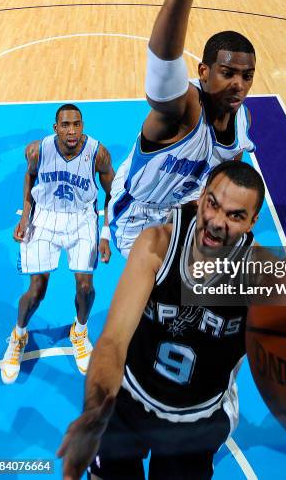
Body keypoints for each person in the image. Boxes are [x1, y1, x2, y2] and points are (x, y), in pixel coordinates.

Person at [58, 160, 265, 480]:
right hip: (133, 396)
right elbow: (113, 341)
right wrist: (94, 415)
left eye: (235, 215)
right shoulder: (157, 245)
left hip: (199, 415)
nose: (217, 222)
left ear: (252, 221)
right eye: (212, 204)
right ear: (201, 197)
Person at [108, 0, 256, 259]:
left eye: (246, 76)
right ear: (204, 72)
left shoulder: (242, 122)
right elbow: (163, 64)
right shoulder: (184, 109)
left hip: (186, 210)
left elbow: (229, 165)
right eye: (227, 73)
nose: (238, 84)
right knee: (159, 295)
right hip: (138, 215)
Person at [1, 104, 115, 384]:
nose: (72, 131)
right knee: (37, 290)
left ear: (83, 125)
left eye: (77, 124)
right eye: (65, 125)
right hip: (46, 217)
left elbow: (113, 194)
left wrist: (105, 233)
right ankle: (18, 335)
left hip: (81, 219)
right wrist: (26, 216)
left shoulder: (98, 154)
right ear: (56, 128)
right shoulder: (38, 151)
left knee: (86, 287)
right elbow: (29, 176)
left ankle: (80, 330)